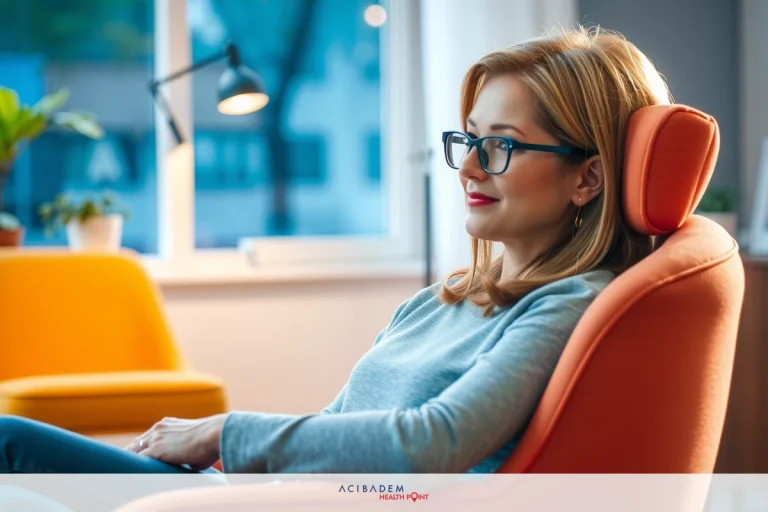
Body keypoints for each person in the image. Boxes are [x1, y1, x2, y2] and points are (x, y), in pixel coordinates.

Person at [0, 25, 669, 475]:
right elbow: (339, 424)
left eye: (500, 145)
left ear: (588, 177)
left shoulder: (564, 306)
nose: (468, 169)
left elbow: (436, 440)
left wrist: (225, 432)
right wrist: (219, 456)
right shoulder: (442, 301)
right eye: (467, 141)